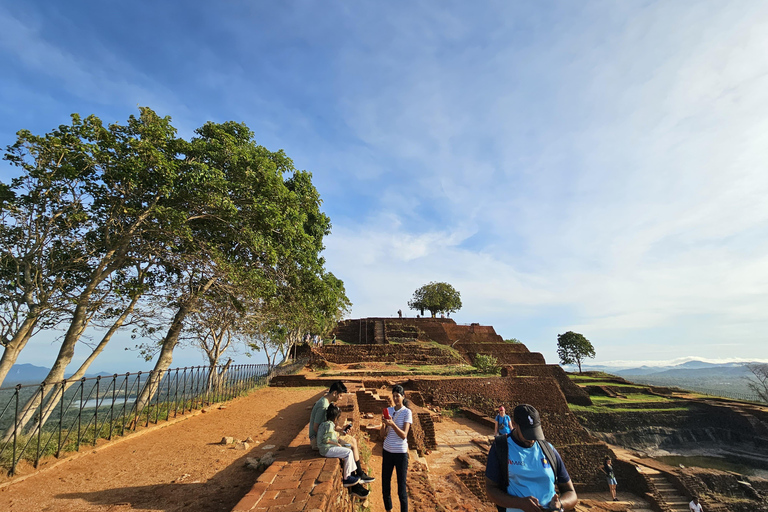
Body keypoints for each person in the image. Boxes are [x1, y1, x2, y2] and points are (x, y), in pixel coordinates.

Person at [485, 404, 578, 512]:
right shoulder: (501, 447)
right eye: (527, 434)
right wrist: (520, 503)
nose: (532, 440)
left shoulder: (548, 450)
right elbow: (491, 490)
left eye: (535, 434)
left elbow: (570, 492)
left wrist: (560, 504)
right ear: (514, 424)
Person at [317, 404, 372, 498]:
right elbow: (326, 439)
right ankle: (347, 477)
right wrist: (337, 443)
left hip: (325, 448)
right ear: (335, 419)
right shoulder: (330, 425)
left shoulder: (325, 423)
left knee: (348, 448)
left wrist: (339, 438)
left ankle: (354, 474)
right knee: (348, 452)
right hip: (326, 448)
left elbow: (330, 436)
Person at [380, 384, 413, 512]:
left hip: (400, 453)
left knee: (401, 488)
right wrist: (383, 424)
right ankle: (389, 509)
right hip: (387, 450)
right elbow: (382, 435)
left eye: (397, 396)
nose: (395, 398)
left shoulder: (407, 412)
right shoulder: (389, 410)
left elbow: (404, 435)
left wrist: (392, 424)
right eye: (393, 396)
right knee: (385, 485)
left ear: (403, 396)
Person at [309, 381, 346, 450]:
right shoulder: (323, 406)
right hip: (317, 439)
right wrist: (333, 438)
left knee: (351, 442)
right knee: (348, 445)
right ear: (334, 393)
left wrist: (341, 429)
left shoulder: (328, 402)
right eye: (340, 396)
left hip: (323, 434)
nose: (341, 398)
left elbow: (328, 424)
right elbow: (316, 427)